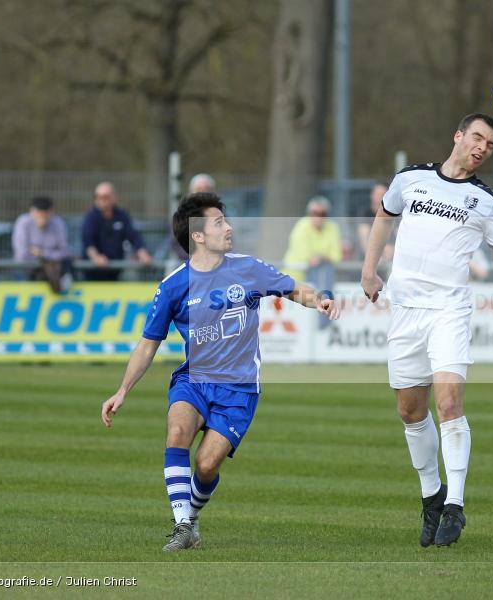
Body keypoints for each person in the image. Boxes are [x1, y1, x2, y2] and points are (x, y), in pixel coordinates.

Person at [100, 192, 339, 551]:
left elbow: (291, 288)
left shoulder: (248, 268)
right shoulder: (172, 286)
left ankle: (192, 517)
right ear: (197, 236)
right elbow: (148, 344)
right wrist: (122, 390)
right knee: (177, 430)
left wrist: (318, 298)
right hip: (193, 381)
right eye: (218, 223)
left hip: (239, 389)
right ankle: (181, 525)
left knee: (207, 464)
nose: (228, 228)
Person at [360, 113, 493, 548]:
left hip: (449, 311)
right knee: (409, 412)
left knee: (449, 402)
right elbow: (383, 219)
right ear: (458, 136)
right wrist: (369, 271)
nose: (482, 148)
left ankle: (455, 505)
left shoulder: (487, 202)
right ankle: (432, 497)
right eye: (477, 137)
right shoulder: (411, 179)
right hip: (406, 310)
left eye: (490, 145)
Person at [81, 182, 153, 281]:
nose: (101, 201)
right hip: (93, 274)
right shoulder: (91, 217)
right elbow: (88, 241)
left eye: (105, 197)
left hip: (115, 272)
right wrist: (96, 257)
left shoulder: (122, 215)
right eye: (98, 197)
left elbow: (134, 236)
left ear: (114, 197)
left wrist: (142, 253)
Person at [11, 196, 72, 292]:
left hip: (50, 273)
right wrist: (49, 255)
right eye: (39, 213)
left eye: (45, 214)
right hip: (26, 271)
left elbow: (64, 252)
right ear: (32, 211)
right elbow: (21, 254)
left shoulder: (58, 224)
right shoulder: (23, 223)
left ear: (51, 212)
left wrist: (42, 253)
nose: (42, 217)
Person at [283, 195, 342, 293]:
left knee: (324, 271)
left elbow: (337, 256)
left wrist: (321, 259)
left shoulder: (333, 227)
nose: (318, 217)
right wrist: (324, 258)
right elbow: (305, 257)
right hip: (295, 280)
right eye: (315, 213)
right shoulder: (301, 226)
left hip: (317, 279)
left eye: (322, 214)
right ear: (309, 213)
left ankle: (323, 303)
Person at [357, 183, 395, 264]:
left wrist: (390, 249)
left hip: (388, 261)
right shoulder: (365, 213)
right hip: (365, 260)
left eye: (381, 194)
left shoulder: (393, 214)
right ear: (372, 195)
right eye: (376, 194)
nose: (378, 197)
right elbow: (364, 238)